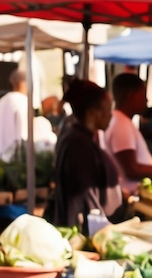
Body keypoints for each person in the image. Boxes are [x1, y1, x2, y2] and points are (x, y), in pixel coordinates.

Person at [49, 80, 123, 227]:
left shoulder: (79, 139)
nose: (111, 115)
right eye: (108, 109)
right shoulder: (79, 145)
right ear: (92, 113)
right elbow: (85, 199)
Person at [0, 68, 55, 162]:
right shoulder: (22, 103)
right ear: (22, 84)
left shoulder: (1, 102)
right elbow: (24, 137)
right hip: (11, 164)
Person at [104, 74, 152, 187]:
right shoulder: (121, 124)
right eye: (143, 95)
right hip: (129, 195)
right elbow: (132, 171)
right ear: (131, 96)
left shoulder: (120, 120)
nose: (146, 100)